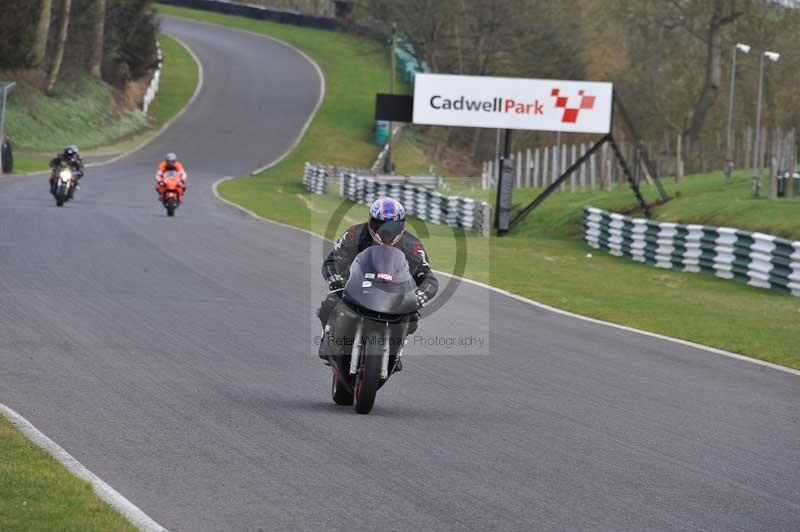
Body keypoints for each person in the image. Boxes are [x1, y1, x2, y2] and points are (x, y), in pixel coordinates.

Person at [317, 197, 439, 367]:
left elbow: (428, 277)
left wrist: (421, 295)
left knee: (412, 317)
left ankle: (394, 355)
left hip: (393, 293)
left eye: (393, 226)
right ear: (371, 222)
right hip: (358, 286)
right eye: (380, 224)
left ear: (402, 225)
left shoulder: (412, 244)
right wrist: (335, 278)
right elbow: (334, 260)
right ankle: (327, 340)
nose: (386, 231)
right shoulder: (355, 234)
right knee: (330, 302)